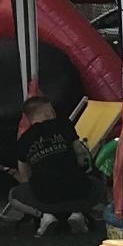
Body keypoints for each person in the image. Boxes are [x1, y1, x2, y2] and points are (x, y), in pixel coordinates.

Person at [9, 97, 104, 236]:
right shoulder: (65, 124)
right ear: (49, 111)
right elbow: (81, 156)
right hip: (79, 191)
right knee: (97, 184)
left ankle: (45, 215)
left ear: (29, 118)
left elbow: (24, 177)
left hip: (46, 197)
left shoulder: (23, 140)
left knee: (13, 195)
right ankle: (77, 213)